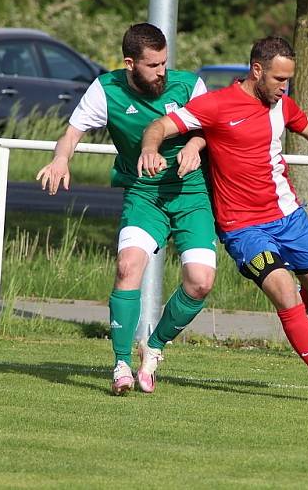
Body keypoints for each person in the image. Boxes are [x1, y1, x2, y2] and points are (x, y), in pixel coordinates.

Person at [139, 36, 308, 407]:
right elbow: (161, 125)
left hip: (289, 217)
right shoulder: (217, 104)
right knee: (284, 293)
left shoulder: (281, 105)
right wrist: (150, 148)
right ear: (257, 70)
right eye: (279, 80)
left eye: (289, 80)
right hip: (243, 229)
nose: (284, 88)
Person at [36, 23, 217, 396]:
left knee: (200, 282)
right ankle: (120, 363)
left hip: (190, 194)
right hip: (143, 195)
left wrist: (195, 146)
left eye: (165, 62)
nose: (162, 71)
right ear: (130, 63)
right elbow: (72, 133)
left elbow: (210, 129)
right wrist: (60, 160)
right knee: (127, 266)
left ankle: (153, 348)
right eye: (153, 65)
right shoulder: (106, 89)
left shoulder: (189, 85)